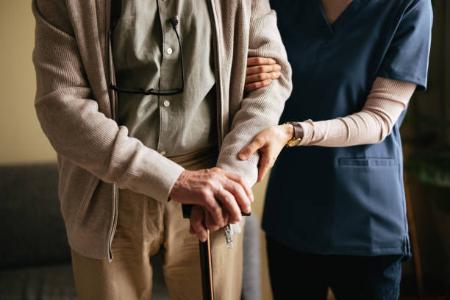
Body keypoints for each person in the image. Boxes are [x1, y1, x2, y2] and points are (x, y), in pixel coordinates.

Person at [31, 0, 292, 299]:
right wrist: (175, 181)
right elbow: (60, 106)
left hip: (213, 177)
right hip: (106, 185)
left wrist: (231, 177)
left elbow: (271, 82)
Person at [239, 0, 433, 299]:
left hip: (365, 223)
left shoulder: (408, 6)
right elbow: (260, 84)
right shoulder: (281, 5)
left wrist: (293, 132)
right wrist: (246, 74)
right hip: (292, 211)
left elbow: (379, 120)